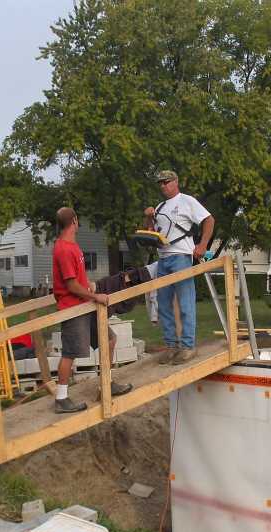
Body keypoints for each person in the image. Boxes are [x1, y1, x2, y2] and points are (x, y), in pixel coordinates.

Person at [53, 207, 133, 414]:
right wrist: (95, 296)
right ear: (74, 221)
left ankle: (105, 385)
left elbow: (76, 280)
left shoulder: (73, 246)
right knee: (70, 353)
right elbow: (70, 286)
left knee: (109, 340)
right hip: (73, 308)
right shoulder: (63, 248)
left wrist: (87, 284)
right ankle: (61, 398)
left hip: (84, 304)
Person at [143, 170, 215, 365]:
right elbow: (150, 233)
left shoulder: (187, 201)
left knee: (185, 303)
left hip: (182, 256)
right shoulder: (160, 206)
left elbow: (209, 220)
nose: (163, 186)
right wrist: (149, 217)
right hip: (163, 259)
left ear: (176, 182)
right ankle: (172, 346)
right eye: (160, 183)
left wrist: (202, 245)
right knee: (164, 304)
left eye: (166, 182)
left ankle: (188, 346)